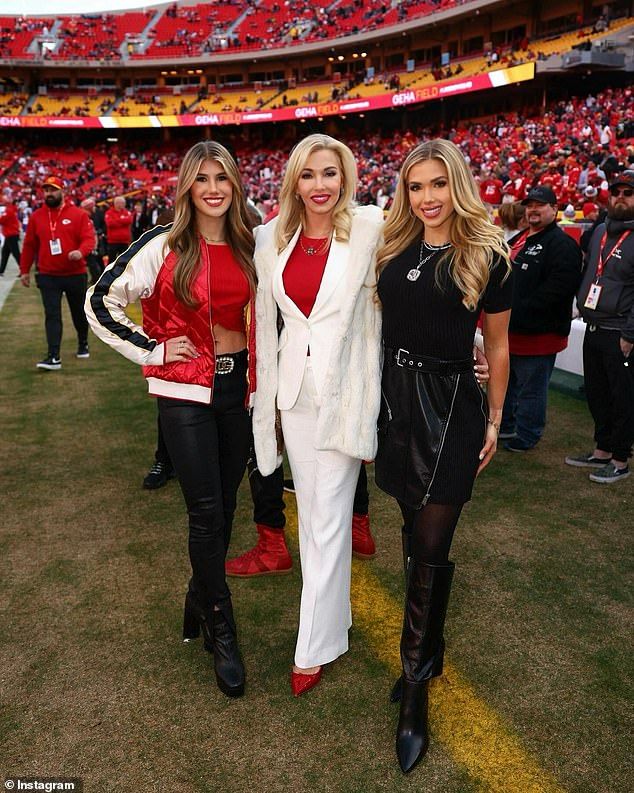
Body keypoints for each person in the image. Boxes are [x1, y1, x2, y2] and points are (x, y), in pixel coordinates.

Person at [85, 141, 257, 698]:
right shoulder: (162, 245)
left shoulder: (254, 242)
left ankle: (197, 599)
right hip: (183, 391)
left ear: (235, 185)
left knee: (228, 506)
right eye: (202, 179)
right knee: (206, 510)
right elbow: (99, 301)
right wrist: (153, 351)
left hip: (240, 388)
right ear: (186, 187)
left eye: (222, 179)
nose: (213, 189)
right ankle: (223, 628)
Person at [374, 139, 513, 773]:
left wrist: (495, 415)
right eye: (415, 187)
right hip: (398, 406)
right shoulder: (391, 252)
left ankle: (416, 693)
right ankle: (427, 651)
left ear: (456, 185)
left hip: (454, 403)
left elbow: (499, 347)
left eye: (437, 184)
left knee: (430, 547)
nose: (427, 198)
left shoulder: (487, 255)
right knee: (410, 537)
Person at [251, 134, 384, 696]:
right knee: (313, 513)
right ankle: (337, 624)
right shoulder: (268, 238)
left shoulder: (372, 228)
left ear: (346, 178)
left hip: (346, 393)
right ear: (294, 182)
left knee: (326, 519)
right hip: (294, 395)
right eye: (309, 175)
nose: (320, 185)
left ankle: (313, 647)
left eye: (330, 173)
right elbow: (264, 319)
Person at [500, 186, 582, 451]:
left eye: (540, 205)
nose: (533, 209)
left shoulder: (562, 244)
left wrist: (519, 310)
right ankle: (507, 425)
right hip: (512, 331)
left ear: (555, 209)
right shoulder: (523, 237)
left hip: (539, 334)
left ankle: (527, 435)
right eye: (530, 205)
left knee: (531, 389)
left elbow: (558, 289)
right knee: (509, 383)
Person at [565, 169, 634, 483]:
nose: (620, 198)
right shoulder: (600, 231)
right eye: (616, 192)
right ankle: (603, 450)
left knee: (622, 398)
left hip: (619, 331)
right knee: (597, 393)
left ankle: (620, 460)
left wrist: (630, 334)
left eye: (628, 193)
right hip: (593, 325)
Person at [19, 175, 95, 370]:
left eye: (53, 189)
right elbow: (29, 245)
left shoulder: (78, 214)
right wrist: (24, 270)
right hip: (48, 275)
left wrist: (80, 251)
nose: (49, 193)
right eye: (46, 190)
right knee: (52, 315)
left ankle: (83, 342)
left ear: (63, 191)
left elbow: (89, 239)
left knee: (78, 312)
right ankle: (54, 356)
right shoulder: (37, 216)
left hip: (74, 274)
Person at [104, 195, 133, 264]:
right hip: (113, 241)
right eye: (120, 203)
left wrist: (116, 221)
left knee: (125, 261)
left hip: (124, 241)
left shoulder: (127, 212)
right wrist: (122, 221)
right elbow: (110, 223)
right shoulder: (109, 212)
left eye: (123, 203)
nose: (122, 205)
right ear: (115, 203)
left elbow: (129, 220)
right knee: (111, 261)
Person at [0, 194, 21, 276]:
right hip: (11, 234)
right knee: (5, 252)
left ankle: (23, 270)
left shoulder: (8, 211)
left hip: (11, 234)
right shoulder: (12, 209)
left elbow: (1, 220)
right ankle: (1, 270)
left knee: (16, 253)